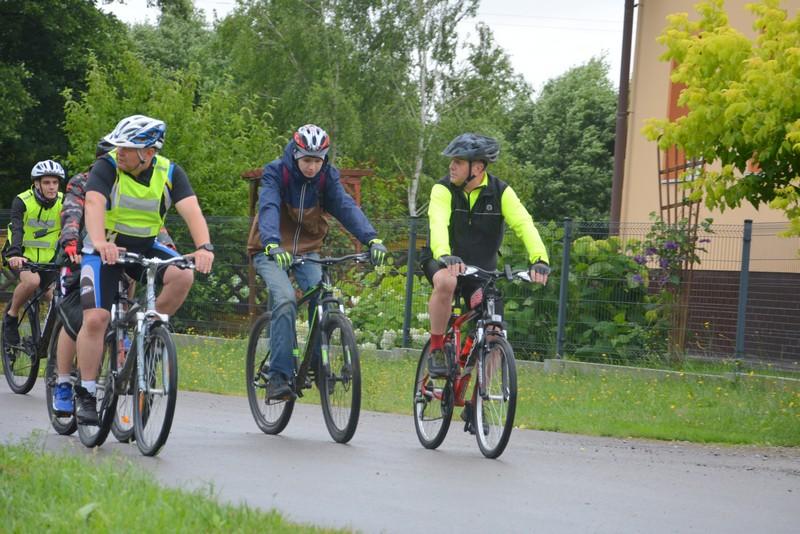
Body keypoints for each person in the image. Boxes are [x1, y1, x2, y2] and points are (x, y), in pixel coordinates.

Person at [75, 114, 214, 425]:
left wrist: (204, 247)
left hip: (144, 245)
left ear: (149, 152)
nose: (120, 152)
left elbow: (192, 210)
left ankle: (147, 331)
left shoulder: (169, 172)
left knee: (183, 274)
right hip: (105, 247)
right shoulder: (107, 166)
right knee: (96, 318)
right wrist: (100, 242)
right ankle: (86, 392)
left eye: (127, 148)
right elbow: (93, 203)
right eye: (119, 146)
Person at [420, 133, 550, 432]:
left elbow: (524, 223)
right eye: (452, 161)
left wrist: (539, 259)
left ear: (477, 168)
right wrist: (445, 254)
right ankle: (438, 348)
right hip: (444, 260)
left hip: (480, 272)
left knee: (493, 330)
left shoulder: (501, 192)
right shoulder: (442, 189)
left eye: (458, 161)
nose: (451, 166)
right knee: (446, 283)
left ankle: (478, 400)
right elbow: (437, 222)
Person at [251, 124, 388, 400]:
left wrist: (372, 238)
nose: (312, 167)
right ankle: (278, 376)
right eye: (307, 160)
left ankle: (316, 363)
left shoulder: (327, 177)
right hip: (269, 249)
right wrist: (272, 243)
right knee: (285, 300)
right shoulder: (276, 172)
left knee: (322, 296)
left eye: (317, 160)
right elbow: (268, 207)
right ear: (295, 154)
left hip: (307, 250)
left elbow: (346, 207)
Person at [50, 138, 177, 417]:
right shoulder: (83, 182)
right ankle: (63, 383)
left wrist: (168, 248)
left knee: (125, 293)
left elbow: (151, 223)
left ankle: (124, 340)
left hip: (120, 255)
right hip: (81, 254)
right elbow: (72, 213)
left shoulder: (134, 182)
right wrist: (70, 242)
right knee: (77, 320)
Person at [2, 160, 65, 357]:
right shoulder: (22, 201)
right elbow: (17, 228)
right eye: (46, 182)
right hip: (21, 256)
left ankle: (46, 342)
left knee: (59, 300)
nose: (52, 187)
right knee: (32, 281)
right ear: (37, 184)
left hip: (48, 261)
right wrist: (15, 254)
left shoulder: (64, 202)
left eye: (55, 182)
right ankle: (11, 316)